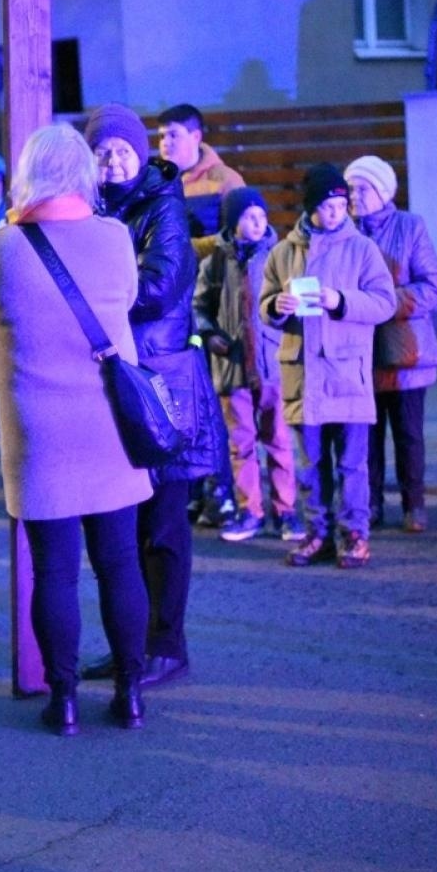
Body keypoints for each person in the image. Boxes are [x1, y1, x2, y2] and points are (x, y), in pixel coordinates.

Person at [0, 123, 153, 733]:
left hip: (39, 436)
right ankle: (130, 693)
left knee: (54, 572)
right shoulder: (116, 238)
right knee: (121, 564)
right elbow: (125, 299)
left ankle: (63, 700)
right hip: (111, 429)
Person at [82, 103, 222, 689]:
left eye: (123, 150)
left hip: (160, 383)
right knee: (125, 527)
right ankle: (131, 645)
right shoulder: (88, 208)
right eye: (103, 151)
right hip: (118, 382)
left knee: (163, 524)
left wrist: (89, 300)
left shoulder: (163, 206)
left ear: (142, 154)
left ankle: (166, 643)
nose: (114, 160)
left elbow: (161, 287)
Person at [259, 163, 397, 569]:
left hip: (346, 373)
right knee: (311, 463)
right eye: (328, 204)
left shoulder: (363, 249)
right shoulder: (284, 252)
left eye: (341, 203)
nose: (337, 211)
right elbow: (265, 304)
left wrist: (341, 301)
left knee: (352, 464)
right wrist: (276, 307)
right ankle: (318, 534)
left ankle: (355, 534)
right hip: (303, 375)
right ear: (311, 207)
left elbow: (385, 303)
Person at [193, 187, 302, 543]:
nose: (259, 222)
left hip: (273, 366)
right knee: (241, 444)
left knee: (279, 441)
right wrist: (209, 336)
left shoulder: (280, 257)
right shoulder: (215, 263)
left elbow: (296, 304)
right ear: (233, 221)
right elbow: (198, 308)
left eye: (261, 215)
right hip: (233, 368)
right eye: (249, 216)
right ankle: (249, 510)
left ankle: (286, 512)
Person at [344, 155, 437, 534]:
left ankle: (413, 504)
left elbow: (432, 285)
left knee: (408, 434)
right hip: (359, 351)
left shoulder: (410, 227)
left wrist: (382, 304)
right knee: (365, 436)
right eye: (351, 188)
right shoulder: (346, 231)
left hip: (406, 352)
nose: (355, 195)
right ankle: (369, 504)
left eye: (363, 188)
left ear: (383, 191)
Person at [157, 103, 246, 237]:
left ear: (196, 137)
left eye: (173, 135)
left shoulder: (226, 180)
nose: (165, 143)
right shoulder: (153, 184)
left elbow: (241, 239)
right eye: (162, 136)